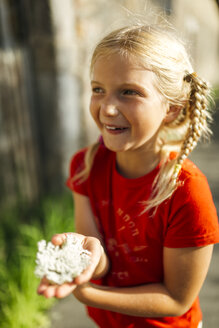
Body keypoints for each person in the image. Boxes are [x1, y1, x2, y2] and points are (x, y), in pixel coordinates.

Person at [37, 24, 219, 328]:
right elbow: (101, 259)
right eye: (98, 89)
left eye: (129, 92)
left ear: (171, 109)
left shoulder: (187, 191)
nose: (107, 108)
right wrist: (87, 257)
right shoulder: (86, 166)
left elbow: (176, 299)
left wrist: (88, 293)